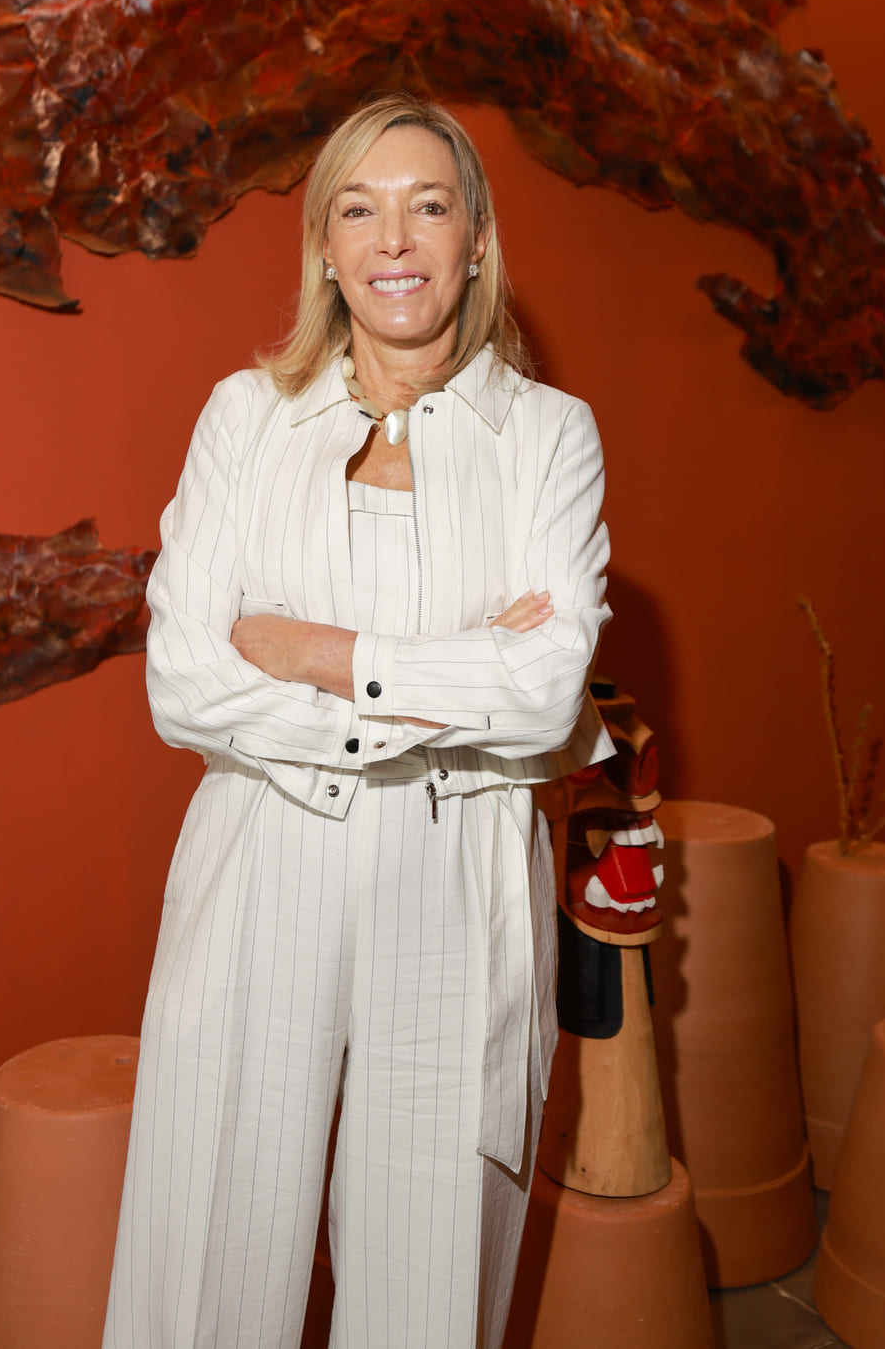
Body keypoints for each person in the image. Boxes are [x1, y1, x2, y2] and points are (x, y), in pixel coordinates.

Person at [103, 93, 613, 1349]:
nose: (395, 241)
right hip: (260, 862)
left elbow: (548, 695)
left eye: (429, 207)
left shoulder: (549, 436)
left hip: (460, 882)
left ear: (477, 241)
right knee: (206, 1265)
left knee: (427, 1292)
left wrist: (313, 653)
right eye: (359, 210)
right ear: (325, 249)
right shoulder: (245, 416)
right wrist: (462, 674)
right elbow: (183, 684)